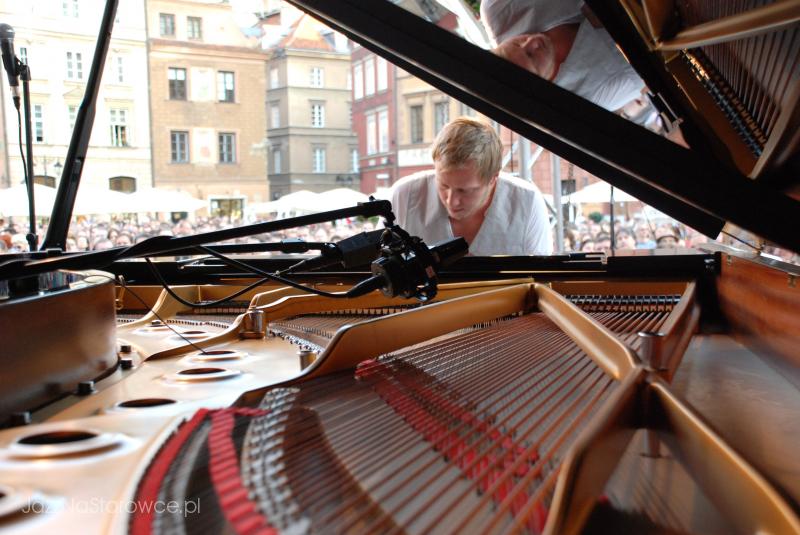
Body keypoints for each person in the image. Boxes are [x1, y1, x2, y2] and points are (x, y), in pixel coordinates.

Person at [390, 117, 552, 256]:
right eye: (443, 185)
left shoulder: (527, 203)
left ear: (493, 178)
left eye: (464, 191)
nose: (452, 201)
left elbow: (542, 278)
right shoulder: (404, 197)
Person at [483, 0, 645, 112]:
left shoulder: (498, 9)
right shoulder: (588, 99)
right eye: (531, 55)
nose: (532, 41)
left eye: (516, 43)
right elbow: (646, 71)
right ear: (540, 88)